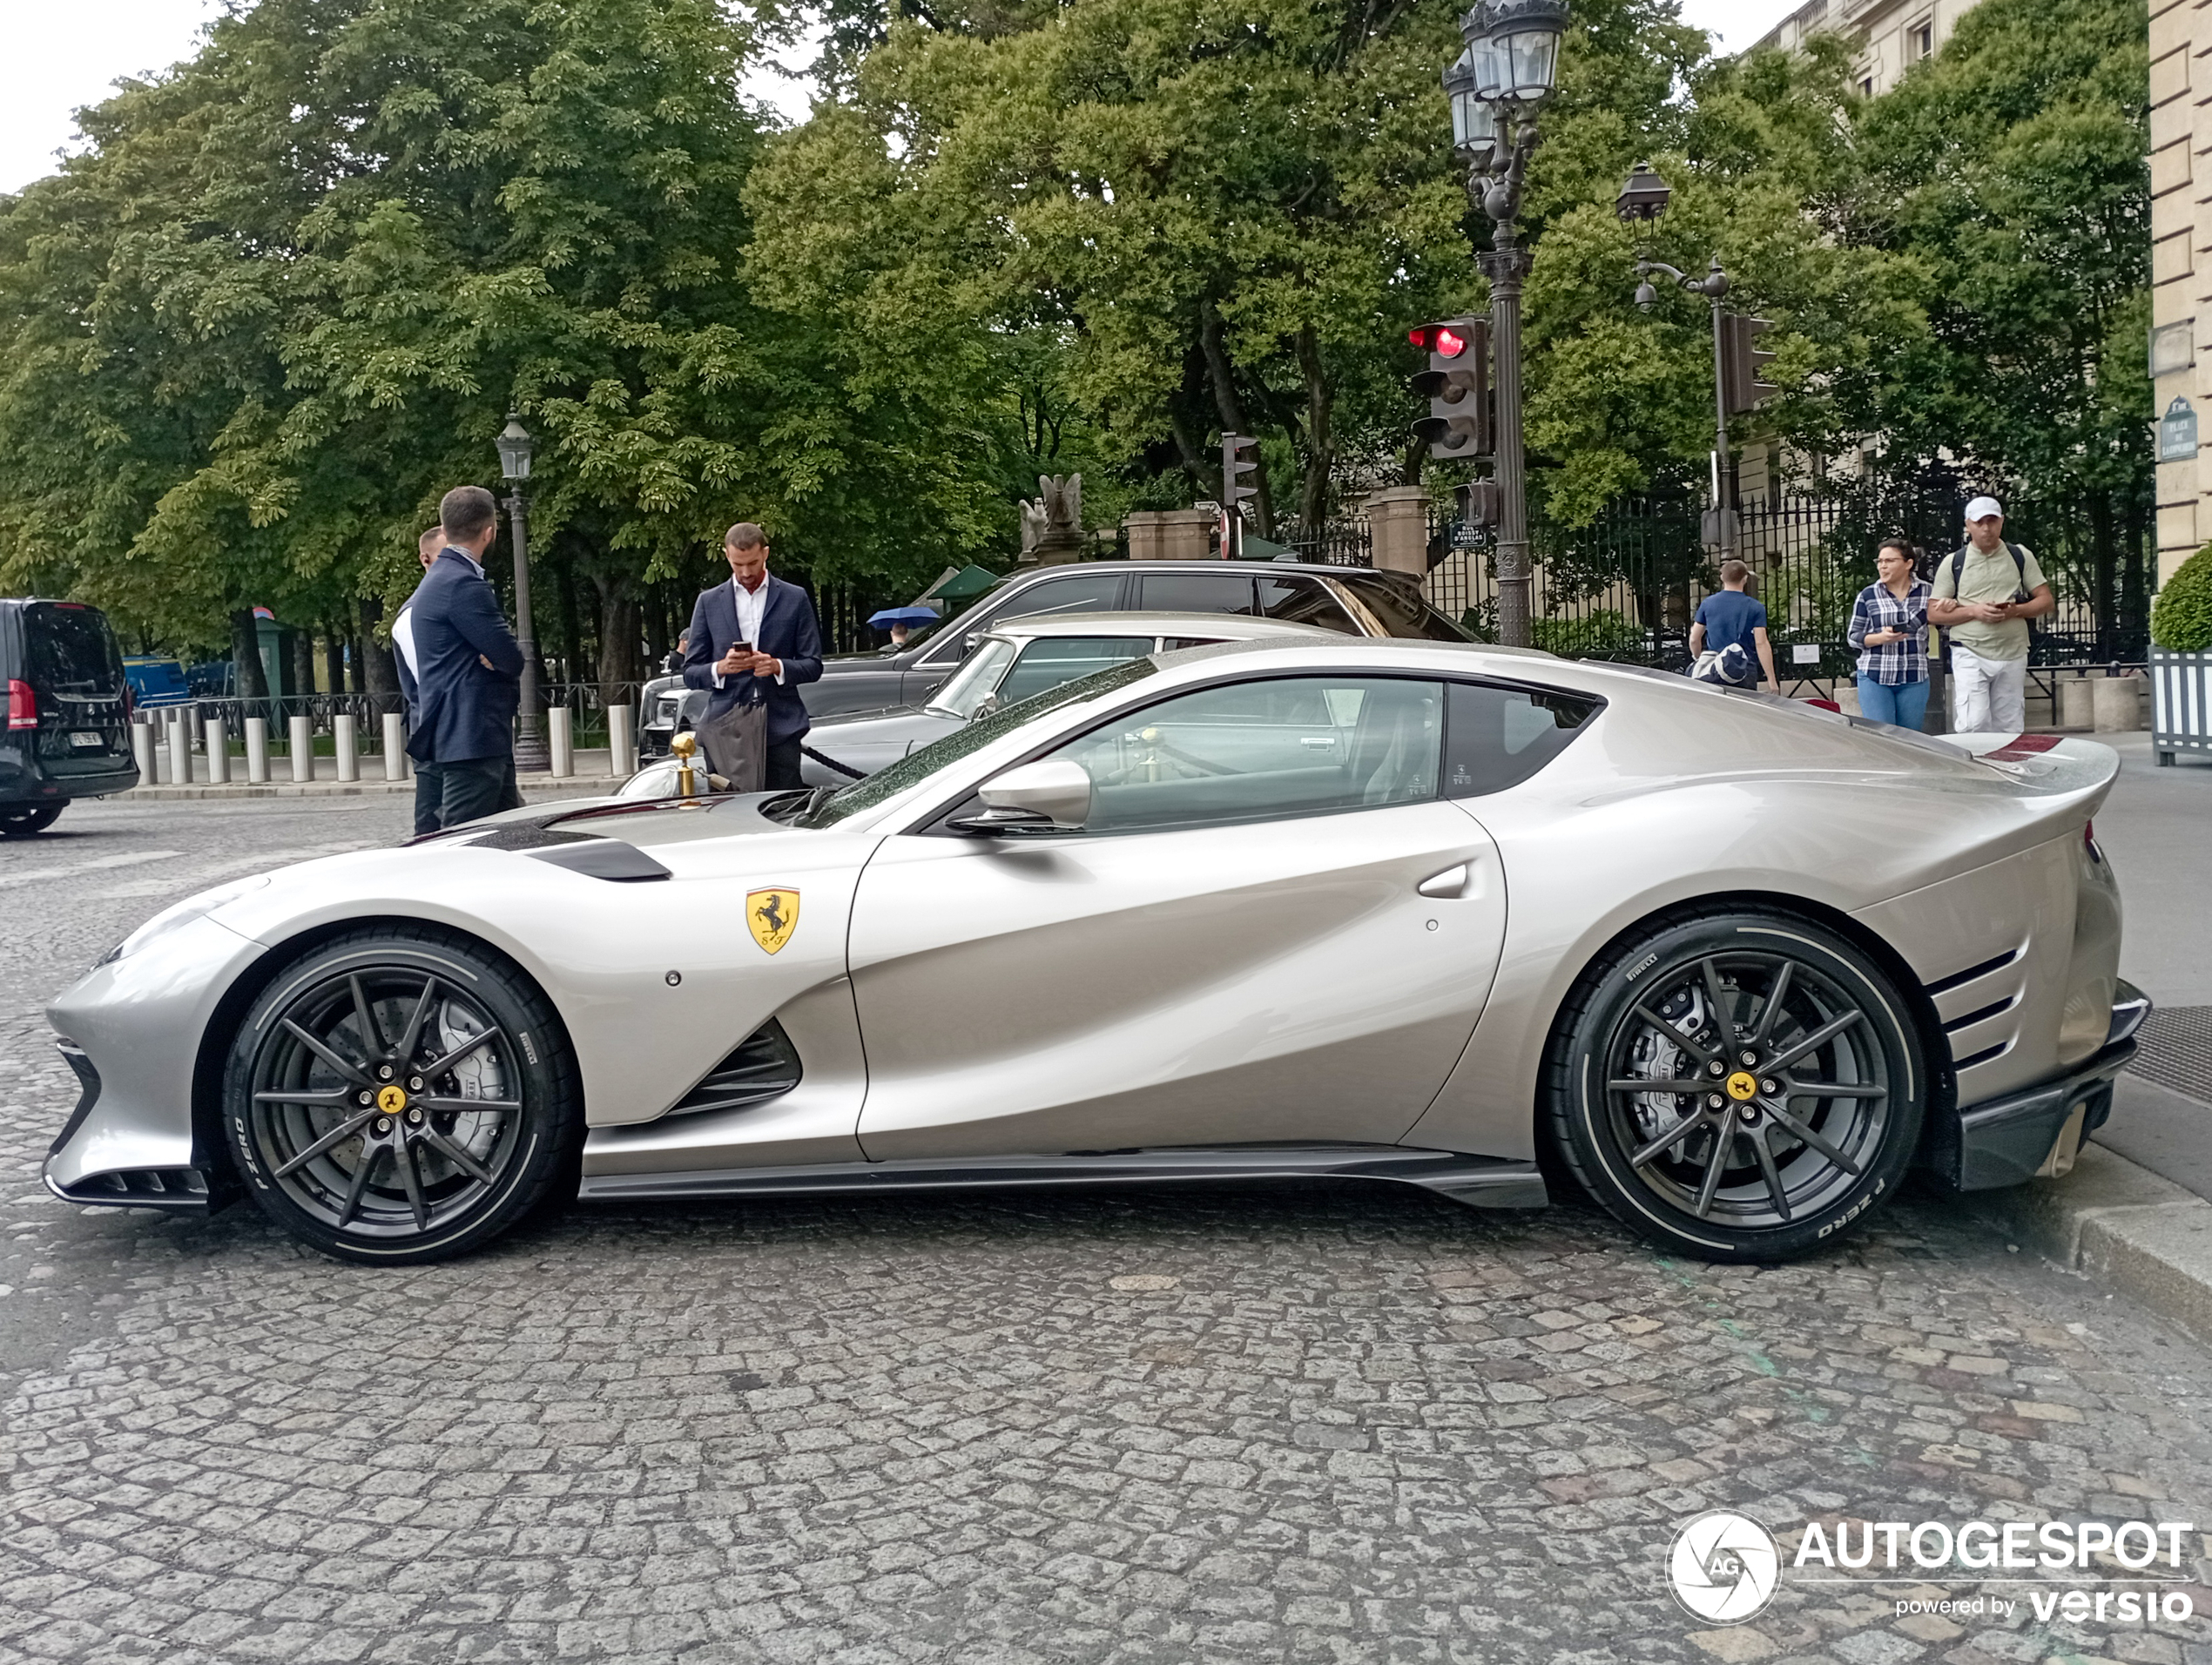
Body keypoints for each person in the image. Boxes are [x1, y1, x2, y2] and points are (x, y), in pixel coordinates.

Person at [403, 485, 525, 826]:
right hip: (472, 736)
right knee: (460, 840)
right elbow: (511, 659)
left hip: (462, 734)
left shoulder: (440, 578)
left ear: (445, 529)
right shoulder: (463, 584)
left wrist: (493, 656)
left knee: (510, 837)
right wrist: (495, 658)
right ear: (489, 533)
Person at [680, 522, 824, 789]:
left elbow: (813, 665)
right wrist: (721, 668)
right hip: (725, 728)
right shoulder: (709, 601)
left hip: (781, 726)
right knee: (730, 816)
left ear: (765, 553)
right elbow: (690, 673)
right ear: (727, 556)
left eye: (753, 563)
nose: (746, 572)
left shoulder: (795, 597)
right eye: (738, 564)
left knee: (782, 812)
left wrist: (777, 666)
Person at [1929, 495, 2054, 734]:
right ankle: (1976, 769)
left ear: (2002, 522)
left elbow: (2046, 600)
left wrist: (2015, 611)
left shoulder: (2020, 555)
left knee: (2009, 725)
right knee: (1973, 723)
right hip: (1969, 649)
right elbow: (1933, 614)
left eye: (1992, 521)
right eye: (1979, 522)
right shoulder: (1954, 562)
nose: (1986, 528)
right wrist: (1975, 611)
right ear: (1968, 525)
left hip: (2013, 650)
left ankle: (2006, 770)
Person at [393, 525, 447, 834]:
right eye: (444, 556)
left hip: (444, 728)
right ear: (425, 559)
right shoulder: (412, 616)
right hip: (432, 731)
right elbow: (430, 679)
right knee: (430, 824)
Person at [1848, 538, 1934, 730]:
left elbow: (1943, 622)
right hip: (1875, 675)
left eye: (1889, 561)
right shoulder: (1868, 595)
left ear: (1908, 564)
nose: (1883, 566)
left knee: (1911, 737)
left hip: (1914, 676)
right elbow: (1853, 636)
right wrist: (1880, 638)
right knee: (1882, 736)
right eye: (1880, 561)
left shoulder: (1928, 592)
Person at [1689, 561, 1779, 690]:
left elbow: (1694, 639)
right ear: (1745, 578)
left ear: (1722, 577)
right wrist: (1771, 680)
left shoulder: (1708, 604)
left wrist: (1698, 658)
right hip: (1744, 668)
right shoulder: (1755, 607)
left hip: (1715, 668)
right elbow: (1761, 643)